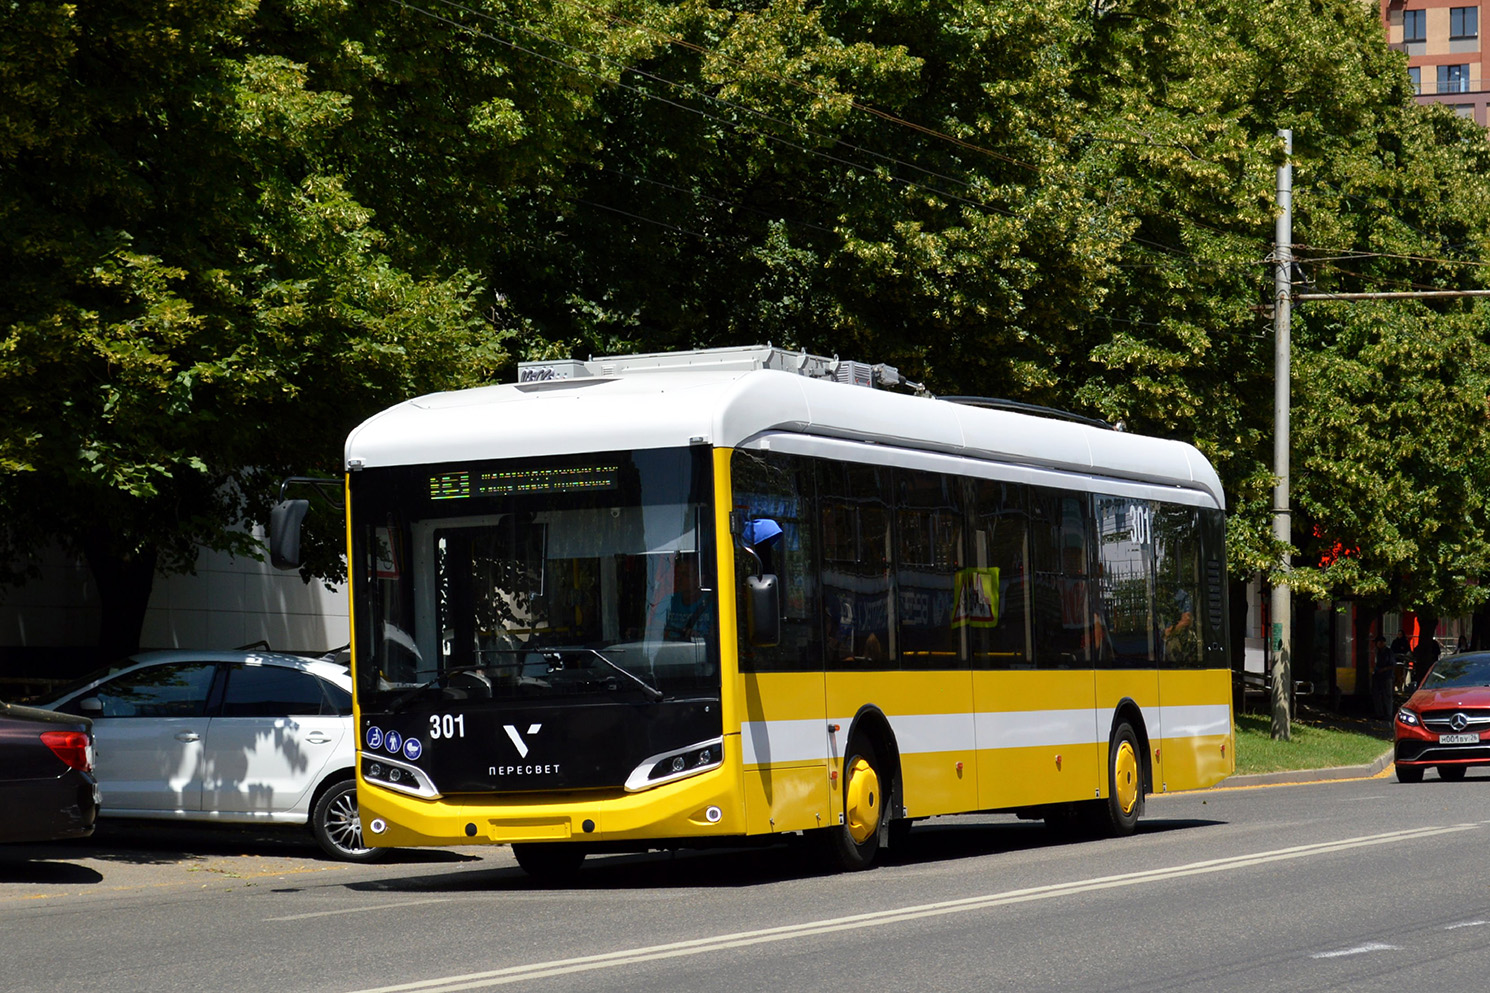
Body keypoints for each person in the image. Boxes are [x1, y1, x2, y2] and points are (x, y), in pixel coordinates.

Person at [1372, 634, 1396, 719]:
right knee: (1378, 695)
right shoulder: (1377, 652)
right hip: (1378, 676)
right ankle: (1380, 713)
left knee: (1387, 695)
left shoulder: (1388, 652)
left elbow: (1393, 665)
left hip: (1387, 676)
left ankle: (1388, 714)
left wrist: (1383, 669)